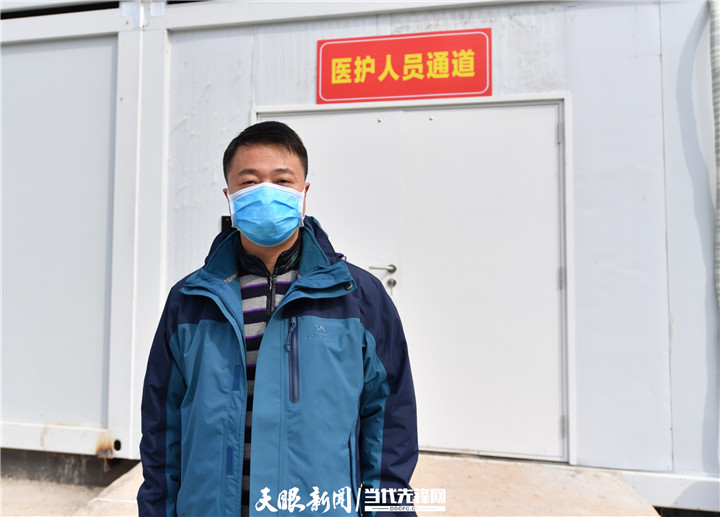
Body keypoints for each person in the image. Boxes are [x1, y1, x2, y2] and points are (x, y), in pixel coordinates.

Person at [137, 121, 418, 517]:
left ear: (304, 192)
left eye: (283, 181)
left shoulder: (358, 298)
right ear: (229, 196)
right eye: (250, 182)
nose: (266, 192)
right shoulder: (189, 301)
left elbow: (390, 427)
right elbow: (162, 431)